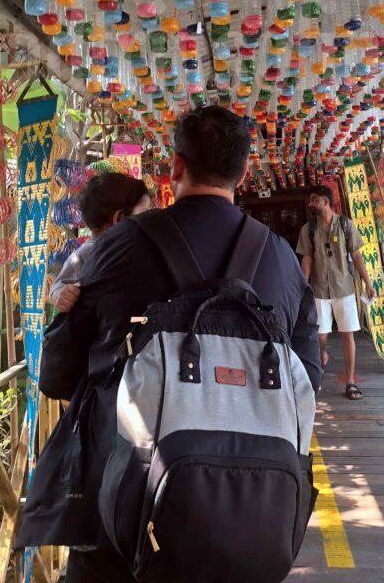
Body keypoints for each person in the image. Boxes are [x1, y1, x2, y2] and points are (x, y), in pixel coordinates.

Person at [18, 106, 320, 583]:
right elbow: (309, 376)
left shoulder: (117, 246)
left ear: (176, 166)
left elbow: (57, 374)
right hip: (256, 509)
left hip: (123, 500)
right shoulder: (281, 258)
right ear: (243, 170)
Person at [297, 184, 375, 401]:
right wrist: (303, 287)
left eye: (314, 199)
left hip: (344, 289)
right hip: (319, 289)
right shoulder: (308, 230)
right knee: (319, 336)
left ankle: (350, 382)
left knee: (347, 334)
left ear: (326, 201)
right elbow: (307, 260)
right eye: (310, 200)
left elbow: (357, 255)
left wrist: (368, 283)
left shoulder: (345, 225)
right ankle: (322, 356)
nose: (311, 204)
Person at [49, 172, 152, 313]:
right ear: (119, 218)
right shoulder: (87, 253)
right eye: (144, 212)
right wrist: (61, 295)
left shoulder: (135, 248)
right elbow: (58, 285)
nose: (149, 218)